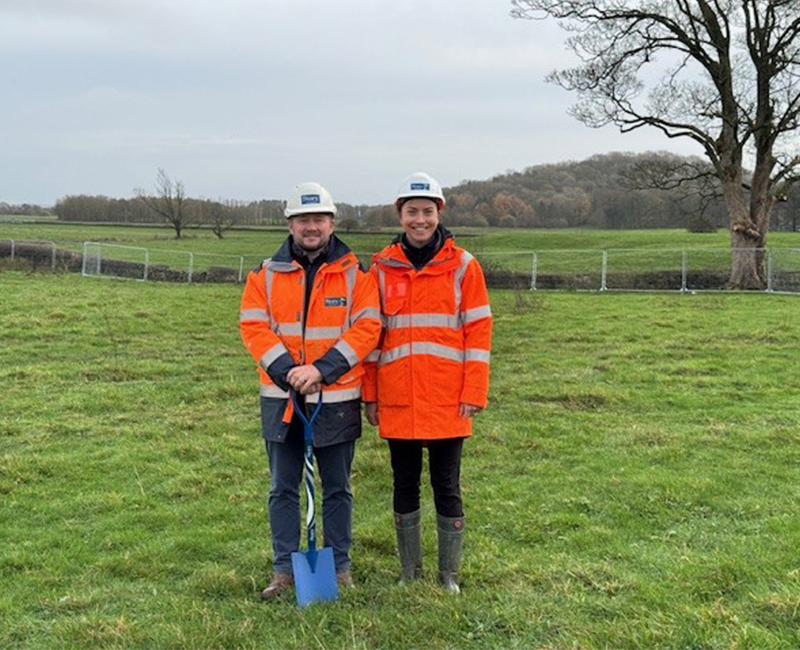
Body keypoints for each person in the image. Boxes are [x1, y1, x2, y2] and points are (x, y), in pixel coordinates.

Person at [239, 181, 381, 600]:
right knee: (282, 487)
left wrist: (321, 370)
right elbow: (253, 327)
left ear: (332, 222)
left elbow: (368, 327)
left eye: (319, 218)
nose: (311, 226)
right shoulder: (264, 274)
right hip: (281, 400)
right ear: (290, 223)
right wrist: (289, 372)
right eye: (303, 219)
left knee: (336, 487)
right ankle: (283, 570)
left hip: (334, 401)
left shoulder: (358, 275)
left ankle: (338, 567)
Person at [363, 172, 493, 594]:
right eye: (412, 212)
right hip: (398, 397)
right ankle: (409, 572)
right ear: (400, 215)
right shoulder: (381, 267)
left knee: (446, 485)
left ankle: (448, 575)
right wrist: (371, 394)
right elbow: (370, 336)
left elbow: (478, 333)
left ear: (439, 213)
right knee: (403, 483)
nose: (420, 220)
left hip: (447, 399)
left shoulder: (464, 266)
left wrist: (474, 391)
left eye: (427, 212)